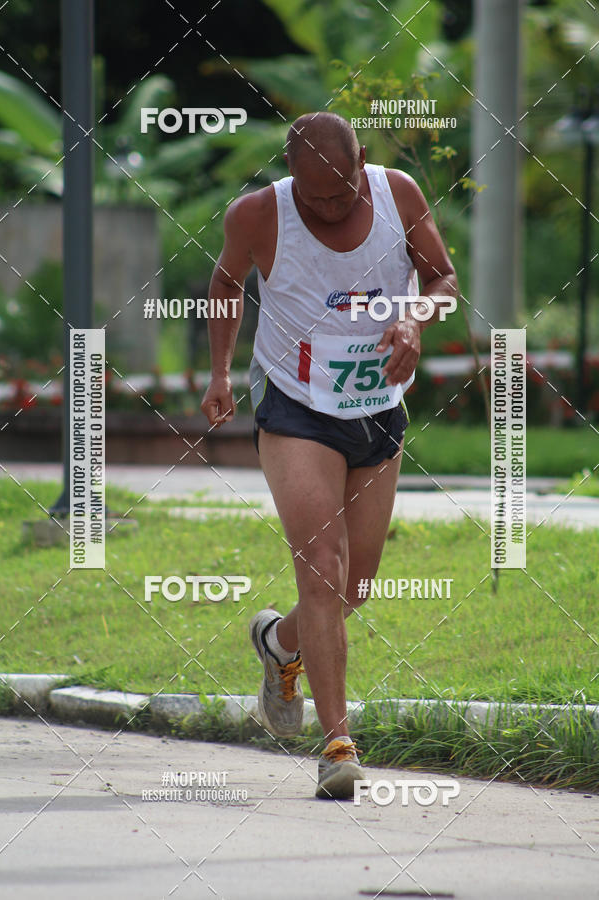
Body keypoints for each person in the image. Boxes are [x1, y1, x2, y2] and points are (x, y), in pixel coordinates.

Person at [201, 111, 457, 799]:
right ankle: (338, 745)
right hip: (295, 407)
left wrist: (415, 318)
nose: (330, 208)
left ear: (362, 159)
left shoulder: (399, 193)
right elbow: (225, 283)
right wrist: (220, 373)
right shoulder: (258, 214)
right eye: (314, 198)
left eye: (341, 194)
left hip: (378, 408)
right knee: (322, 568)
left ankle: (279, 644)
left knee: (354, 588)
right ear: (290, 176)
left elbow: (443, 279)